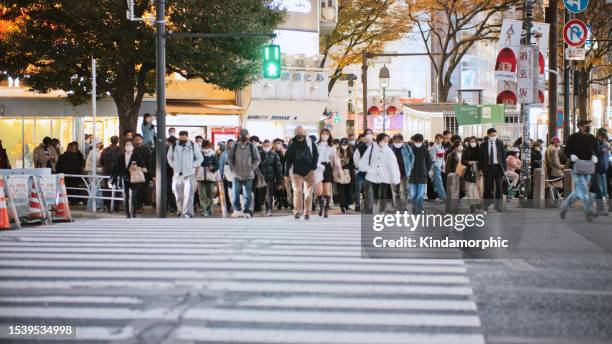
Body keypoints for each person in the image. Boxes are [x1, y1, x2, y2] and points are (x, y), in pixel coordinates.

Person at [560, 120, 598, 221]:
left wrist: (594, 156)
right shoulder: (573, 137)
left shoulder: (592, 138)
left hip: (588, 167)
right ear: (580, 126)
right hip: (577, 167)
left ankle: (564, 206)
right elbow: (567, 150)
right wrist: (571, 156)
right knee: (583, 189)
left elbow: (595, 149)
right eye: (586, 126)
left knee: (579, 191)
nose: (588, 127)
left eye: (589, 126)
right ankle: (589, 212)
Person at [359, 133, 400, 214]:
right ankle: (370, 209)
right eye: (384, 140)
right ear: (379, 140)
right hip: (371, 176)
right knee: (371, 194)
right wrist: (367, 168)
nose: (386, 142)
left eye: (387, 141)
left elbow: (393, 165)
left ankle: (382, 210)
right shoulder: (372, 148)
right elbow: (365, 159)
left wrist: (395, 177)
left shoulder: (389, 151)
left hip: (384, 176)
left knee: (382, 194)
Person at [167, 131, 204, 218]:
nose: (183, 139)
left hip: (189, 174)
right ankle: (180, 211)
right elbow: (169, 157)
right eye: (181, 137)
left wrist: (192, 165)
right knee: (178, 194)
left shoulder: (192, 145)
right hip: (177, 174)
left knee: (189, 195)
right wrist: (173, 165)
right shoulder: (174, 146)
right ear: (179, 137)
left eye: (184, 137)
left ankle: (188, 213)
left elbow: (200, 158)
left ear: (187, 137)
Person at [285, 126, 319, 220]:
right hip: (297, 172)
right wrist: (286, 174)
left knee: (308, 193)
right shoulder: (292, 145)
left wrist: (313, 167)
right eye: (297, 132)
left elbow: (316, 155)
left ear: (304, 133)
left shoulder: (310, 142)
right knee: (297, 191)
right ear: (295, 134)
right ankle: (297, 211)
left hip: (309, 171)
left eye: (301, 132)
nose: (299, 134)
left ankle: (307, 212)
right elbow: (288, 160)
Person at [227, 129, 261, 218]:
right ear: (239, 136)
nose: (244, 137)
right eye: (242, 135)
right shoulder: (234, 146)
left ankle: (246, 210)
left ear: (248, 136)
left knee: (247, 194)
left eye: (245, 136)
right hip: (236, 174)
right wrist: (233, 167)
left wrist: (252, 167)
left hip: (248, 174)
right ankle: (237, 209)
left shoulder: (252, 146)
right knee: (235, 193)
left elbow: (257, 159)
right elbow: (229, 159)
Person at [110, 140, 146, 218]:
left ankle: (133, 213)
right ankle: (127, 213)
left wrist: (139, 167)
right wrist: (113, 178)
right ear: (125, 147)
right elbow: (116, 168)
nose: (128, 146)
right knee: (126, 196)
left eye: (130, 144)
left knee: (134, 196)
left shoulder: (136, 155)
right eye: (127, 144)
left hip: (134, 177)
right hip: (125, 177)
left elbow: (142, 164)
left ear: (132, 147)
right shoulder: (121, 156)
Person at [315, 129, 342, 218]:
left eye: (326, 134)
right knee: (319, 191)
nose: (324, 135)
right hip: (317, 167)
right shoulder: (316, 144)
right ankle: (321, 206)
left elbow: (336, 161)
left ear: (329, 135)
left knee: (327, 191)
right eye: (323, 134)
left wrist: (339, 172)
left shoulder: (332, 146)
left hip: (327, 168)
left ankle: (326, 209)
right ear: (320, 134)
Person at [478, 128, 507, 212]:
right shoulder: (483, 145)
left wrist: (505, 169)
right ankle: (486, 205)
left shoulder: (500, 143)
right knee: (487, 187)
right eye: (492, 135)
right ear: (488, 135)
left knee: (499, 187)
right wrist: (480, 168)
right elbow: (481, 158)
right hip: (488, 167)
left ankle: (499, 206)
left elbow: (503, 157)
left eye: (495, 135)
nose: (494, 137)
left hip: (498, 167)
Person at [408, 134, 432, 214]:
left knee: (420, 194)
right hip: (412, 175)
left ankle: (420, 209)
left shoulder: (425, 150)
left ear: (422, 141)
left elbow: (429, 162)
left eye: (419, 141)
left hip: (422, 175)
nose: (418, 142)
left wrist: (426, 170)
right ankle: (415, 208)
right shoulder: (410, 150)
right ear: (413, 141)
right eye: (416, 141)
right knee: (413, 194)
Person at [390, 134, 414, 211]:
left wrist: (410, 166)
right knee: (395, 191)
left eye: (399, 140)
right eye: (395, 141)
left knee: (405, 190)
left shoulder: (407, 147)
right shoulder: (390, 149)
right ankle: (397, 206)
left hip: (405, 172)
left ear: (402, 141)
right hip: (394, 173)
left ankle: (405, 206)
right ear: (393, 141)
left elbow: (412, 156)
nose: (397, 142)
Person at [259, 140, 283, 216]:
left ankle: (269, 208)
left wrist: (279, 181)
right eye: (265, 146)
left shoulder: (274, 154)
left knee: (269, 193)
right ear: (262, 146)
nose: (266, 147)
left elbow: (278, 168)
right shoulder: (259, 154)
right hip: (261, 178)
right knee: (262, 193)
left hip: (271, 178)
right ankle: (264, 206)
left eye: (267, 146)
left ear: (270, 146)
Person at [353, 129, 374, 212]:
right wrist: (359, 167)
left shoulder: (375, 146)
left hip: (371, 172)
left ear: (373, 135)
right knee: (358, 188)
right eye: (367, 134)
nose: (369, 135)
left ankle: (368, 206)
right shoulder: (360, 147)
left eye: (370, 133)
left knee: (369, 190)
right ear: (364, 136)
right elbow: (356, 158)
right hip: (361, 171)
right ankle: (357, 205)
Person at [196, 140, 219, 217]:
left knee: (210, 194)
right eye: (205, 146)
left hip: (210, 176)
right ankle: (204, 209)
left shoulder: (213, 154)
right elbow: (195, 163)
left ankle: (209, 209)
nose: (206, 147)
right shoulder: (198, 153)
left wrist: (213, 168)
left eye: (207, 146)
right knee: (202, 195)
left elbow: (217, 165)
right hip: (200, 176)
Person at [461, 136, 481, 212]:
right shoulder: (466, 150)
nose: (473, 143)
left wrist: (477, 162)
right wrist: (468, 162)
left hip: (478, 171)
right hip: (469, 171)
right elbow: (462, 161)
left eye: (474, 141)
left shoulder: (479, 150)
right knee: (471, 188)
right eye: (471, 141)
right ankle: (472, 205)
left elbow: (482, 159)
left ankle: (478, 203)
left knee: (478, 188)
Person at [84, 139, 104, 211]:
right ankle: (99, 205)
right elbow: (98, 162)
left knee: (93, 189)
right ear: (96, 144)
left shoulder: (95, 152)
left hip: (94, 171)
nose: (101, 144)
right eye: (99, 143)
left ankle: (90, 206)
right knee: (97, 188)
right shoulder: (93, 152)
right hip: (92, 172)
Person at [336, 138, 354, 213]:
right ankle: (342, 206)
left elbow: (353, 163)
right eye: (343, 144)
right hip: (339, 173)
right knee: (341, 191)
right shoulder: (336, 151)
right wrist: (340, 167)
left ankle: (347, 205)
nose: (344, 146)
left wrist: (346, 167)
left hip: (349, 174)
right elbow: (334, 162)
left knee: (348, 190)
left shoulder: (351, 151)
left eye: (345, 144)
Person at [134, 134, 152, 211]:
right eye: (136, 139)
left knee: (144, 189)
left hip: (144, 172)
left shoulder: (146, 149)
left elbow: (149, 159)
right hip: (135, 171)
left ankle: (141, 204)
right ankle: (137, 205)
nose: (137, 141)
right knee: (136, 189)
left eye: (139, 139)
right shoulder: (133, 149)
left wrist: (147, 169)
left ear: (142, 140)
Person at [593, 128, 609, 216]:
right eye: (602, 137)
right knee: (599, 190)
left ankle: (605, 209)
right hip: (597, 170)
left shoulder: (604, 144)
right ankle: (600, 209)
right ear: (598, 136)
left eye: (604, 137)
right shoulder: (594, 143)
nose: (603, 139)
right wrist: (600, 151)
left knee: (604, 190)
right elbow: (593, 154)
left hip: (603, 170)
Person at [217, 140, 233, 214]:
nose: (231, 145)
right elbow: (221, 166)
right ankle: (227, 206)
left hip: (235, 176)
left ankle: (234, 206)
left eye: (232, 143)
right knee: (226, 192)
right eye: (229, 144)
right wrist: (220, 176)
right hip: (225, 176)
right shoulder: (224, 153)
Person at [429, 134, 446, 200]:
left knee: (436, 183)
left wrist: (444, 167)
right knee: (439, 183)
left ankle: (436, 196)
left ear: (442, 139)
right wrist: (438, 168)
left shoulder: (442, 147)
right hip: (435, 168)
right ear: (435, 139)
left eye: (440, 138)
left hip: (440, 167)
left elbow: (443, 159)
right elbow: (433, 159)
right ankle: (443, 197)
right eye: (437, 138)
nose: (439, 140)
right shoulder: (434, 147)